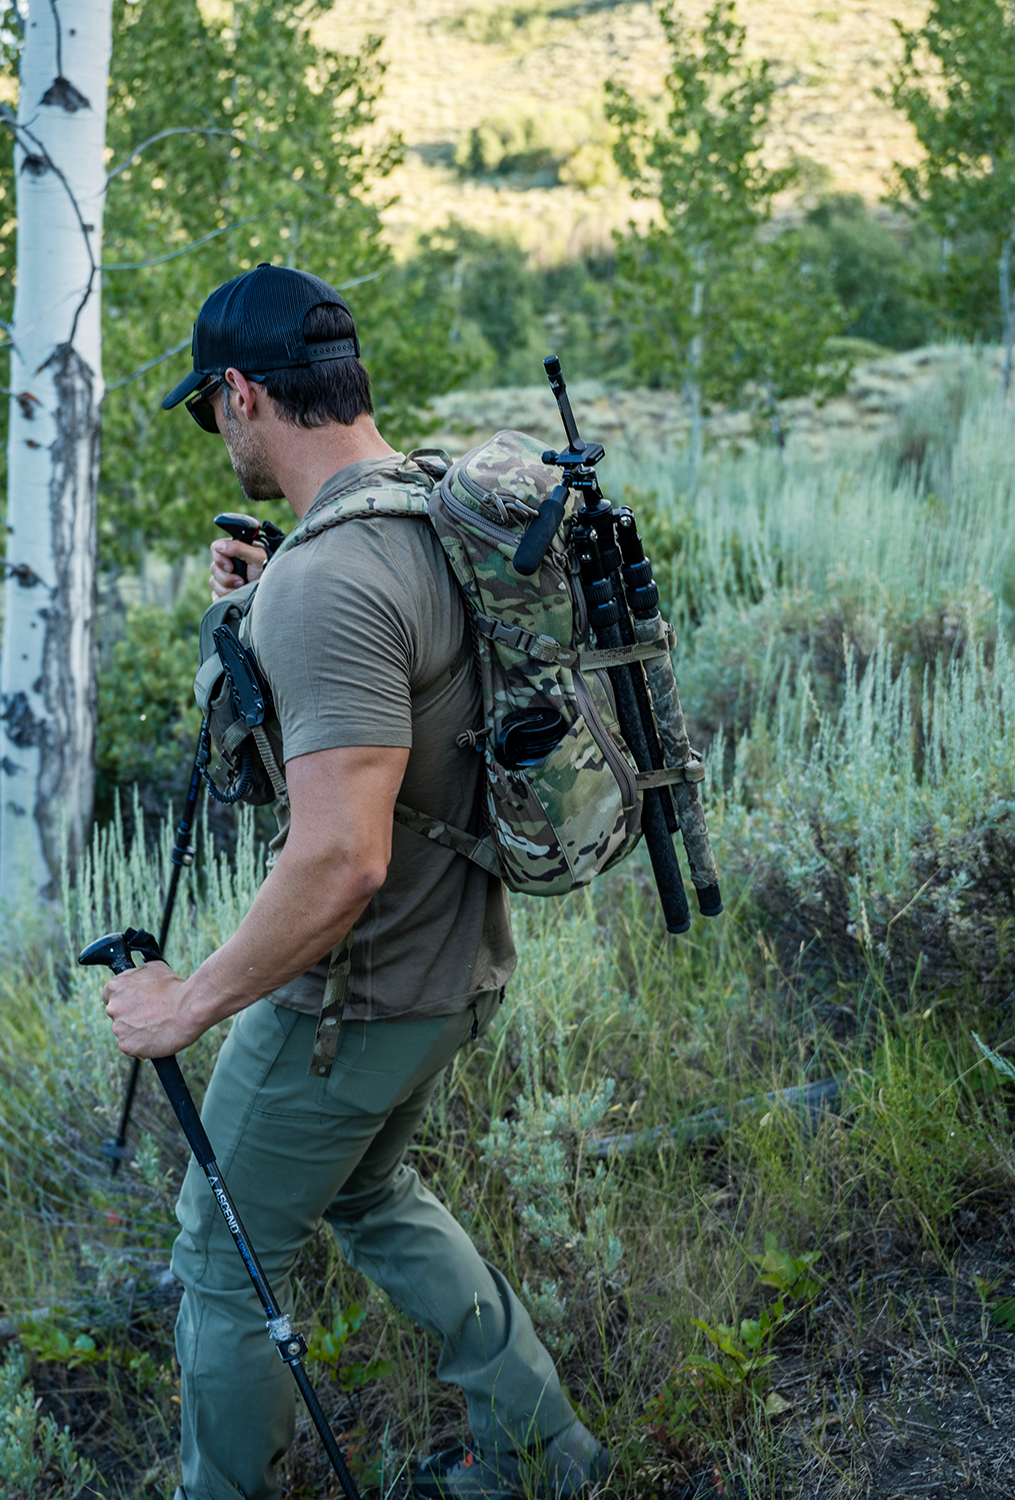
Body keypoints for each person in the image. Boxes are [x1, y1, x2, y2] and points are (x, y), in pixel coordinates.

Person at [99, 264, 611, 1500]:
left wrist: (190, 1004)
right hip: (456, 966)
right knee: (375, 1192)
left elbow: (342, 854)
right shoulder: (428, 506)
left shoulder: (332, 583)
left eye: (205, 411)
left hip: (355, 1000)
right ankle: (546, 1454)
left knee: (222, 1265)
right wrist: (268, 597)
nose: (214, 434)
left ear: (239, 396)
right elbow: (408, 688)